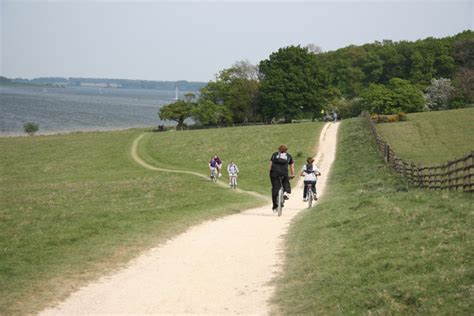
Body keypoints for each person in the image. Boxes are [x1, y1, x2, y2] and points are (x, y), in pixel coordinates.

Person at [269, 144, 295, 212]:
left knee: (275, 188)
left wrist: (271, 172)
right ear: (286, 150)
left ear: (279, 149)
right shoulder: (289, 156)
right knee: (286, 181)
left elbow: (270, 165)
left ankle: (275, 207)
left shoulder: (274, 155)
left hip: (274, 173)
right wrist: (292, 174)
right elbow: (292, 166)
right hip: (284, 173)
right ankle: (286, 192)